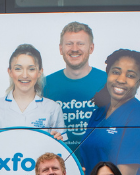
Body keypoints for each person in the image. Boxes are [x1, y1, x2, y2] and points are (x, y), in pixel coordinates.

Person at [0, 44, 66, 141]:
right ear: (10, 72)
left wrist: (58, 142)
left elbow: (61, 153)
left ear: (39, 72)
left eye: (31, 69)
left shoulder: (53, 108)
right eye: (18, 69)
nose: (24, 75)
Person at [43, 22, 107, 152]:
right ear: (61, 49)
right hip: (58, 165)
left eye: (80, 43)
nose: (74, 48)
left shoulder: (107, 81)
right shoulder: (44, 84)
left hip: (99, 166)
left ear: (91, 48)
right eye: (69, 43)